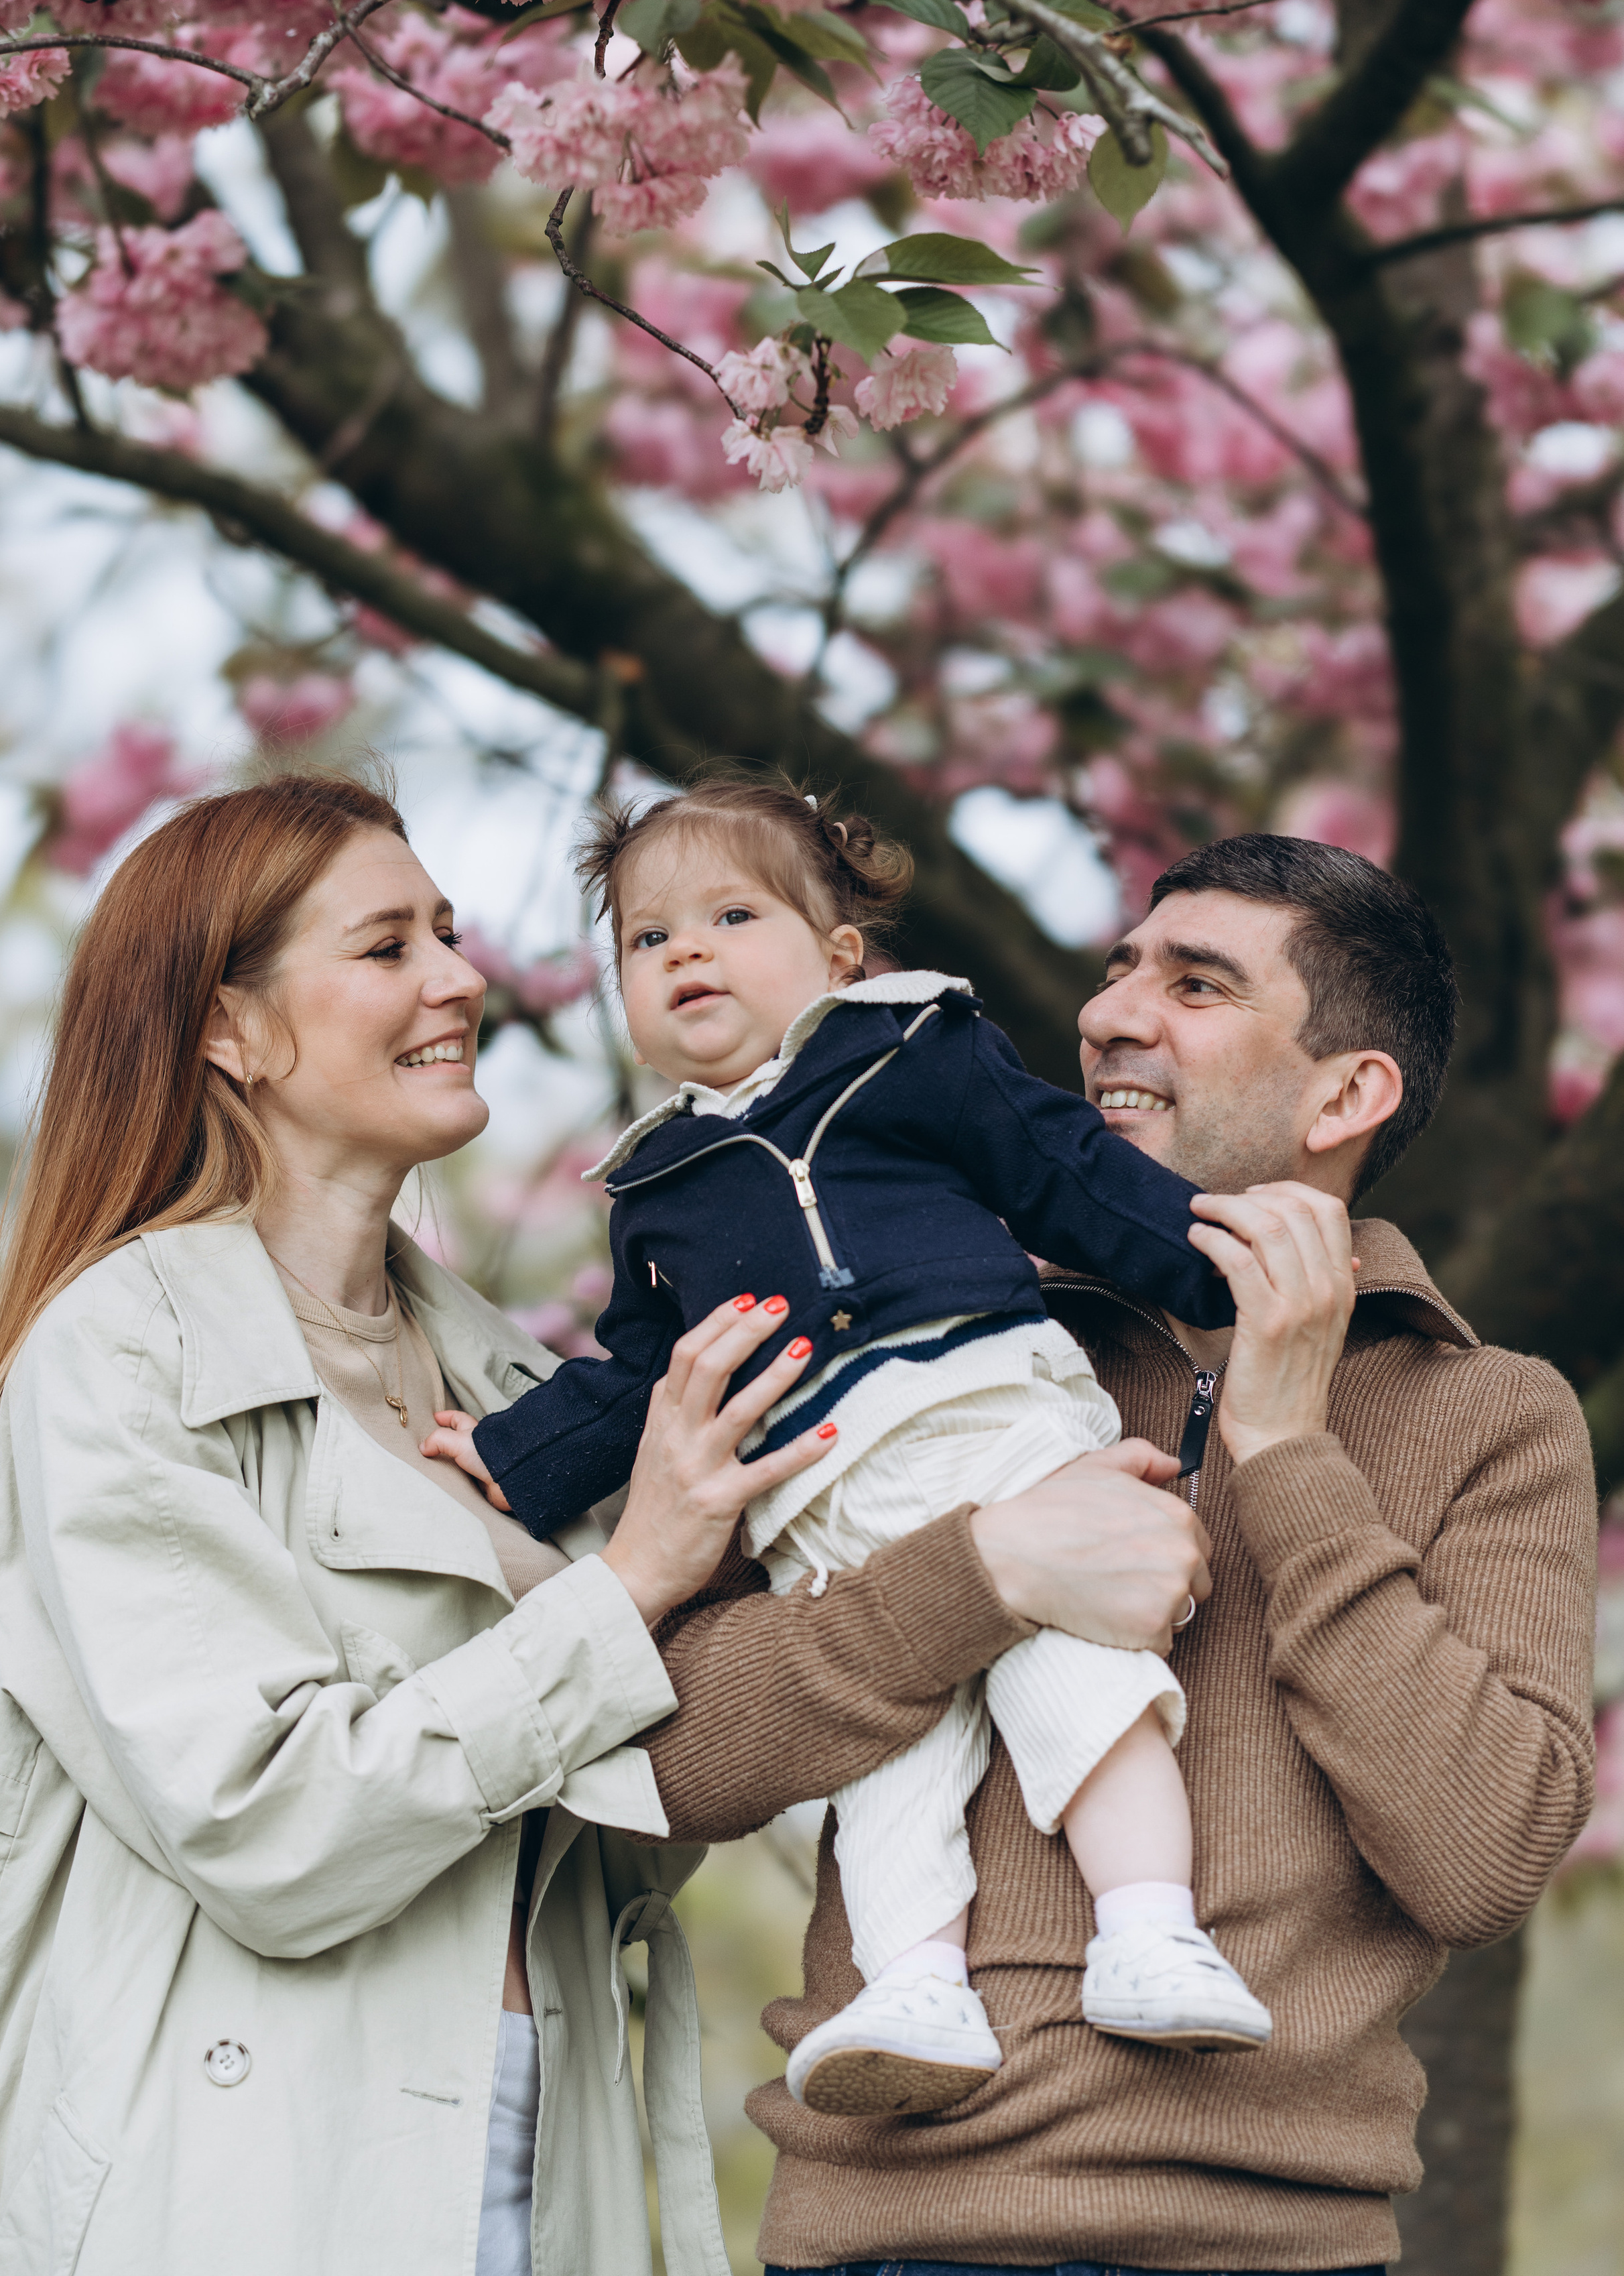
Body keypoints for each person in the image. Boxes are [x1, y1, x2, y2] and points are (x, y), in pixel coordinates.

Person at [0, 767, 1203, 2276]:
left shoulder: (524, 1394)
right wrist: (641, 1575)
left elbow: (645, 1804)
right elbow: (265, 1820)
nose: (464, 978)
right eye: (388, 946)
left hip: (542, 2140)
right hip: (238, 2177)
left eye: (450, 934)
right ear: (229, 1028)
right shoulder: (123, 1350)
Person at [633, 833, 1599, 2276]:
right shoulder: (897, 1351)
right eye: (1114, 971)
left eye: (1194, 983)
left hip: (1273, 2238)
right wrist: (984, 1571)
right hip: (898, 2225)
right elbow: (674, 1761)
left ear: (1346, 1091)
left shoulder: (1485, 1408)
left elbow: (1476, 1856)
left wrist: (1282, 1451)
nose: (1106, 1015)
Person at [437, 776, 1274, 2110]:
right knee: (887, 1756)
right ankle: (912, 1988)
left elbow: (1059, 1166)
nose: (686, 951)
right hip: (825, 1501)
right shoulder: (656, 1186)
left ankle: (1150, 1927)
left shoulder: (912, 1051)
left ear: (836, 954)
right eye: (647, 941)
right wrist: (514, 1451)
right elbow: (645, 1375)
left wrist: (1214, 1259)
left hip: (993, 1417)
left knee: (1079, 1674)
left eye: (727, 914)